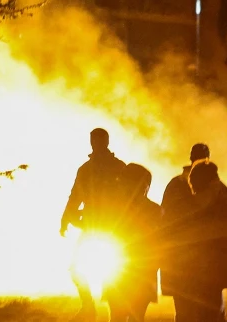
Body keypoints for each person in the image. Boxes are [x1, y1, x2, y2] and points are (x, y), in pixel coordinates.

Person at [61, 128, 127, 321]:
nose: (95, 144)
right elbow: (75, 196)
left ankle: (113, 311)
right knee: (76, 268)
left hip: (113, 226)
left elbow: (129, 196)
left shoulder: (118, 167)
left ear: (106, 142)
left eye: (98, 141)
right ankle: (89, 306)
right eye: (93, 141)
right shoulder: (86, 169)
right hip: (93, 225)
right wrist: (65, 219)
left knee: (116, 271)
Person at [173, 161, 227, 322]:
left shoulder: (192, 205)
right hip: (213, 270)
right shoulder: (221, 196)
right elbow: (223, 228)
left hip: (194, 270)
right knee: (214, 311)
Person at [160, 143, 210, 317]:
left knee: (183, 309)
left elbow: (164, 216)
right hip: (201, 256)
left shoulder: (175, 184)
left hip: (179, 255)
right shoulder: (214, 187)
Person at [107, 164, 162, 322]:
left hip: (129, 274)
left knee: (123, 316)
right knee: (127, 316)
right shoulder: (154, 211)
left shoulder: (115, 208)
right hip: (131, 274)